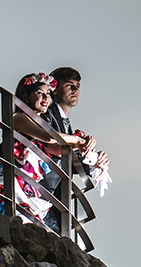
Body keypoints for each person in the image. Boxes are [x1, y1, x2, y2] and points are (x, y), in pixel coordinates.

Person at [0, 73, 85, 224]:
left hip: (28, 184)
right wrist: (77, 139)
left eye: (48, 94)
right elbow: (49, 137)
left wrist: (81, 146)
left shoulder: (41, 124)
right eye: (39, 93)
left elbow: (54, 148)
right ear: (26, 96)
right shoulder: (18, 117)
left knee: (23, 218)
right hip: (14, 178)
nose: (45, 98)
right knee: (2, 208)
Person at [42, 67, 110, 233]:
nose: (75, 89)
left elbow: (72, 157)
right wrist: (83, 150)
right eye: (69, 85)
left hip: (54, 194)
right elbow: (50, 146)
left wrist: (96, 161)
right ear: (55, 90)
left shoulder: (66, 123)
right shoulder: (47, 115)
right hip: (43, 190)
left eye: (77, 86)